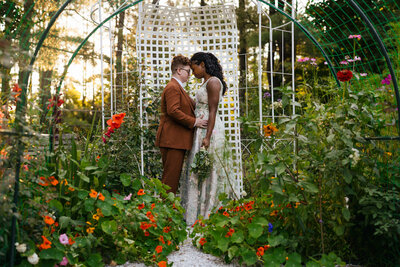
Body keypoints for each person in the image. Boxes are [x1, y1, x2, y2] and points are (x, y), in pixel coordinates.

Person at [180, 52, 233, 225]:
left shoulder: (214, 82)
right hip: (200, 129)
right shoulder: (205, 82)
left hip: (210, 130)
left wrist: (208, 137)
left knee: (209, 169)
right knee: (199, 169)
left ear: (202, 64)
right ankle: (196, 213)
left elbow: (212, 110)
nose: (193, 72)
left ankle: (209, 212)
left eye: (194, 67)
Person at [155, 55, 207, 194]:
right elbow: (173, 111)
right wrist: (195, 122)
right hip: (172, 141)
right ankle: (165, 214)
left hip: (175, 141)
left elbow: (189, 106)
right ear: (178, 70)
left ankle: (166, 211)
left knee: (171, 179)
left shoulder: (178, 87)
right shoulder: (173, 87)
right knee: (169, 181)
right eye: (187, 71)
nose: (190, 75)